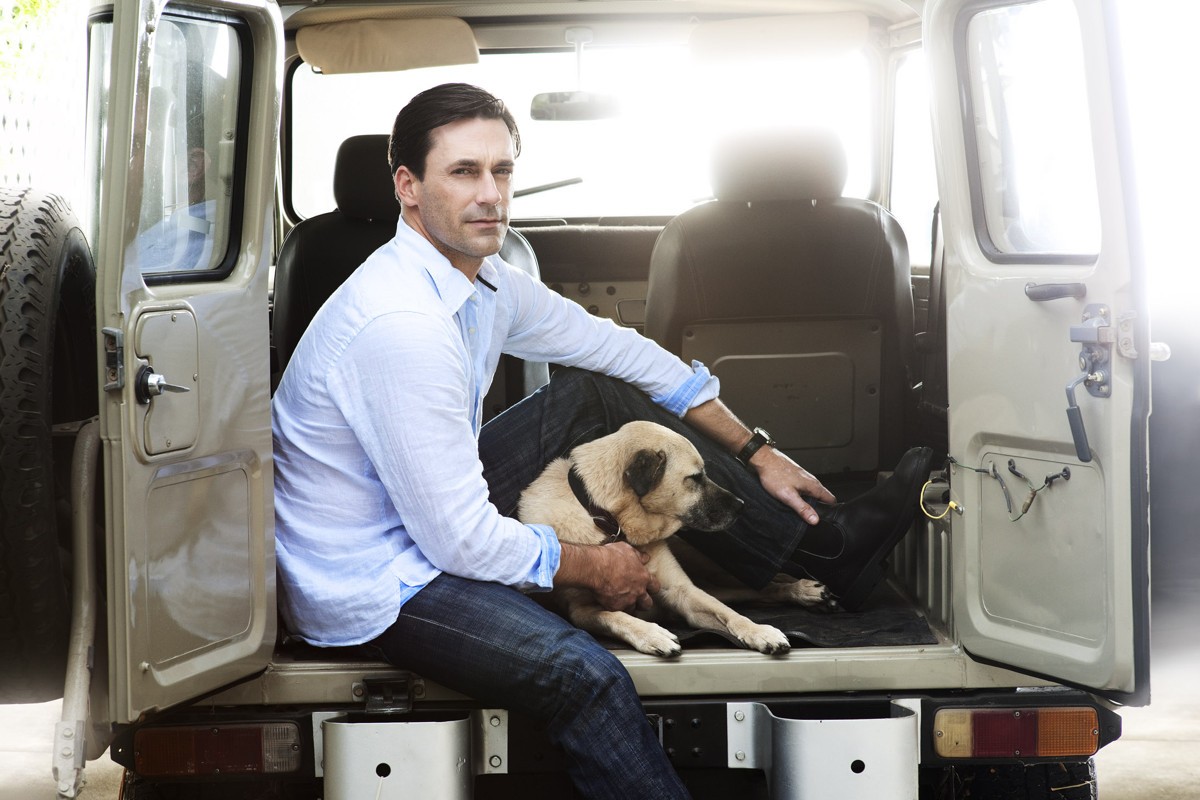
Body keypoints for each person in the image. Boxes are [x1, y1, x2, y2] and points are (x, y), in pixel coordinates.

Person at [271, 82, 932, 798]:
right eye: (463, 172)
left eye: (501, 170)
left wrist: (757, 453)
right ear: (408, 187)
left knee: (598, 390)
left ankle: (825, 549)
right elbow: (458, 543)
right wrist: (592, 564)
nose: (490, 195)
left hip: (423, 512)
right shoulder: (401, 326)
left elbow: (618, 351)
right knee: (587, 679)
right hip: (375, 573)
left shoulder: (484, 282)